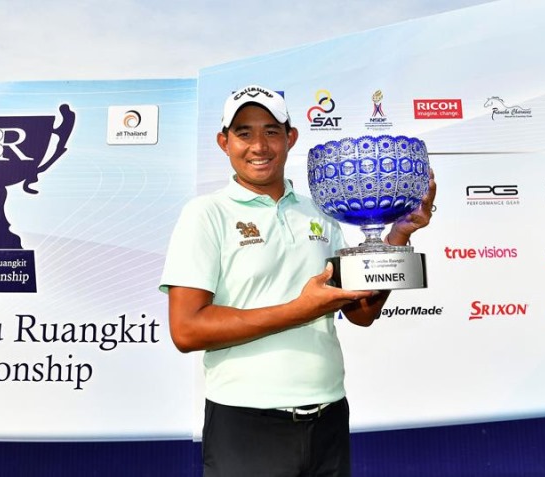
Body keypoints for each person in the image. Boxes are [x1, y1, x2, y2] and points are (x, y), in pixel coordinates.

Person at [159, 84, 435, 476]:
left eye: (271, 131)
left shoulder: (321, 211)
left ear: (291, 138)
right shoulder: (206, 214)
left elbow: (362, 313)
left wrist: (396, 237)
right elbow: (187, 330)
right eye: (244, 133)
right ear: (224, 143)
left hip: (328, 418)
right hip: (246, 425)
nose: (259, 146)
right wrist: (299, 310)